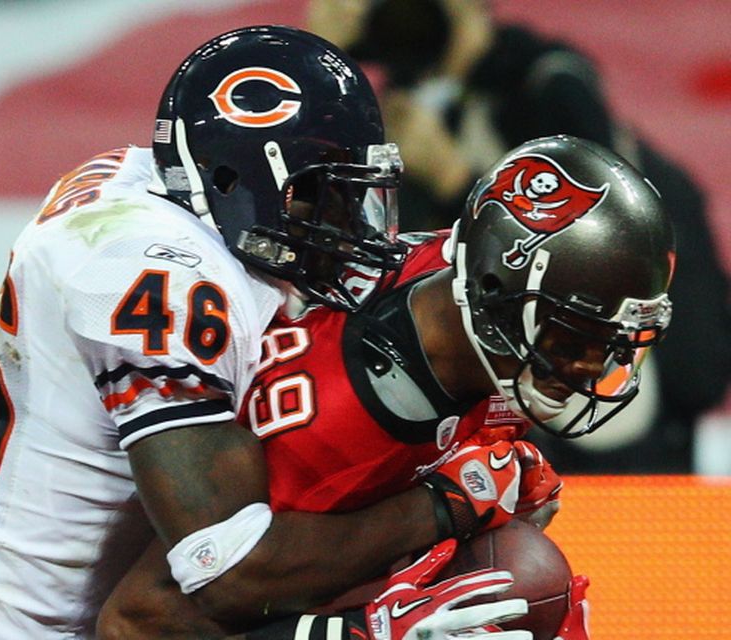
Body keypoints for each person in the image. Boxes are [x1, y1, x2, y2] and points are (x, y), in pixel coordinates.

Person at [0, 26, 530, 640]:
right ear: (239, 178)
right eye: (322, 194)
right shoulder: (160, 280)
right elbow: (226, 565)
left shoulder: (146, 190)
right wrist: (451, 503)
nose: (346, 227)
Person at [97, 135, 674, 639]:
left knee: (525, 583)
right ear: (499, 292)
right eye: (575, 339)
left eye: (613, 343)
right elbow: (137, 622)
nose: (592, 370)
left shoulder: (464, 291)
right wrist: (366, 620)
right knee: (514, 590)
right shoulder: (333, 413)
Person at [309, 0, 731, 473]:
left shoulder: (545, 86)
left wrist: (451, 175)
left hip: (616, 393)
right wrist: (326, 60)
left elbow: (585, 244)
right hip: (514, 383)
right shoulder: (412, 98)